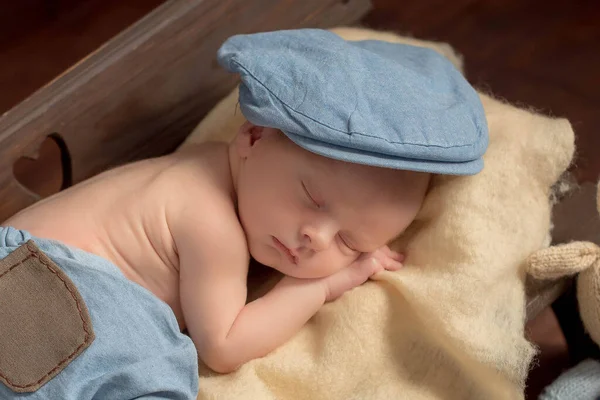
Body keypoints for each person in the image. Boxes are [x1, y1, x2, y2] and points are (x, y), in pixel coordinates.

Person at [0, 29, 488, 399]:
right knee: (155, 372)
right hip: (59, 291)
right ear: (253, 137)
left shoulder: (207, 166)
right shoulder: (212, 223)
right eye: (311, 198)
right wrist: (316, 286)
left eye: (351, 243)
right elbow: (224, 345)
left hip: (28, 279)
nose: (315, 236)